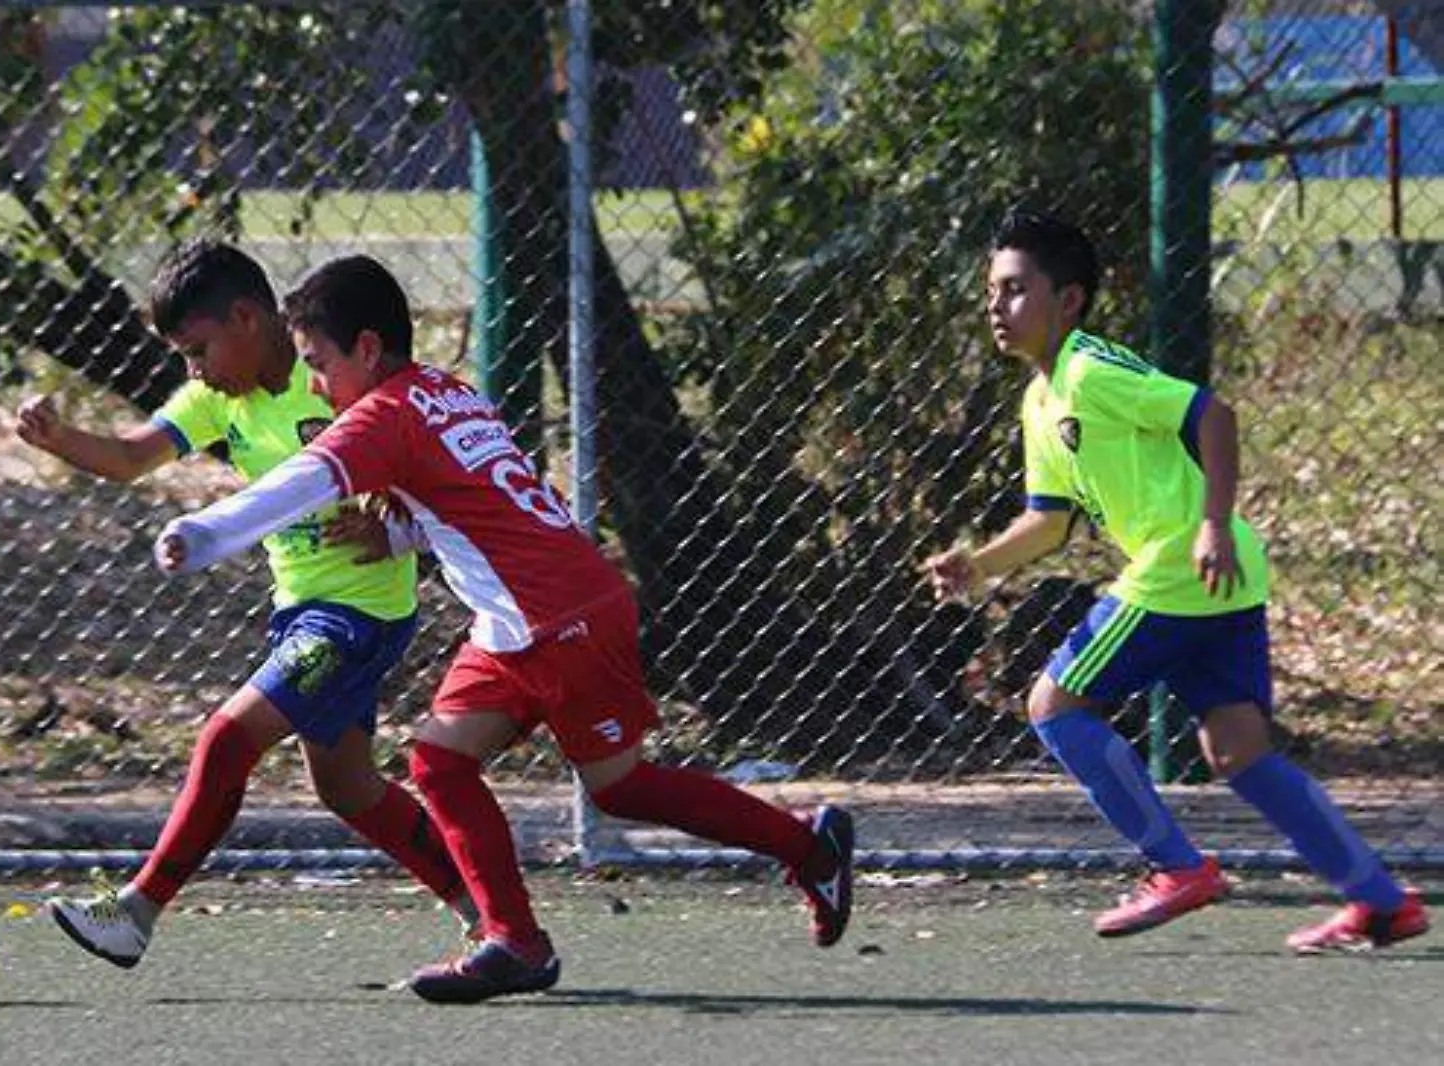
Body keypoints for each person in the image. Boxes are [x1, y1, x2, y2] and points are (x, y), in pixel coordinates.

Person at [152, 254, 856, 1004]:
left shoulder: (381, 416)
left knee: (619, 787)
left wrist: (202, 533)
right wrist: (395, 537)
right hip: (521, 620)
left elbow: (299, 485)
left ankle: (808, 845)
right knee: (439, 763)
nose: (315, 385)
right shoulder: (443, 395)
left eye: (319, 364)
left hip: (562, 619)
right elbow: (476, 503)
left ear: (365, 349)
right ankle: (514, 943)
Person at [923, 208, 1428, 953]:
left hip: (1181, 565)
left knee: (1053, 704)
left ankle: (1177, 868)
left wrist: (1213, 524)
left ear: (1069, 302)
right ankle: (1381, 903)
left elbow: (1211, 414)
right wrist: (982, 564)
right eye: (993, 292)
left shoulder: (1093, 369)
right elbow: (1053, 520)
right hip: (1219, 578)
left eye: (1015, 289)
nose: (997, 306)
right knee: (1240, 753)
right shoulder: (1040, 399)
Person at [19, 240, 472, 968]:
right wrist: (58, 438)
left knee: (228, 739)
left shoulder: (334, 380)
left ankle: (137, 910)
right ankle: (484, 908)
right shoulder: (213, 400)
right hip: (300, 612)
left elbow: (435, 472)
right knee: (349, 788)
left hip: (358, 617)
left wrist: (397, 529)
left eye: (198, 349)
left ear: (247, 319)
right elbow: (133, 457)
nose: (192, 371)